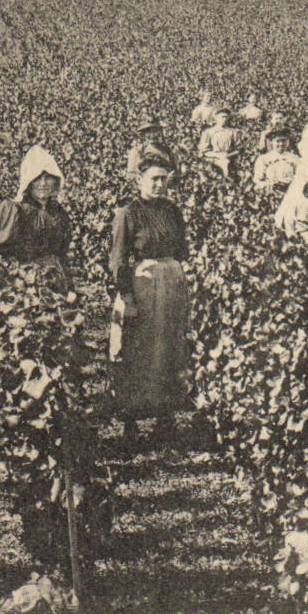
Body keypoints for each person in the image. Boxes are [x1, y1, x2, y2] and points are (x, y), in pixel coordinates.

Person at [109, 145, 192, 434]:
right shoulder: (128, 213)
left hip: (170, 279)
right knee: (136, 347)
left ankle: (164, 415)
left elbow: (182, 250)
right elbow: (118, 259)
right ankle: (131, 418)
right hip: (142, 283)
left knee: (169, 345)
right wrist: (127, 296)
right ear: (139, 180)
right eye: (153, 179)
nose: (159, 185)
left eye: (163, 179)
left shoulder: (172, 211)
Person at [0, 145, 74, 285]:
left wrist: (69, 287)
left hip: (55, 284)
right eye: (37, 178)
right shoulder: (14, 210)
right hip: (22, 285)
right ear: (28, 182)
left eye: (48, 178)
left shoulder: (58, 213)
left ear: (55, 181)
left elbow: (62, 255)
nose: (43, 184)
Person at [251, 127, 300, 194]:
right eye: (278, 141)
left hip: (290, 193)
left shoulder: (294, 158)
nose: (281, 144)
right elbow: (257, 179)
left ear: (288, 141)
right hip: (271, 193)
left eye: (284, 140)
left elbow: (300, 177)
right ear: (272, 142)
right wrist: (269, 184)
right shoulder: (263, 159)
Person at [197, 102, 239, 178]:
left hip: (229, 158)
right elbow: (204, 151)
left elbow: (238, 149)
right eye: (222, 117)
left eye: (226, 117)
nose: (224, 119)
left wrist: (228, 155)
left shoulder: (232, 132)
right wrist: (217, 155)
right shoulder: (209, 132)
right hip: (213, 159)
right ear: (216, 118)